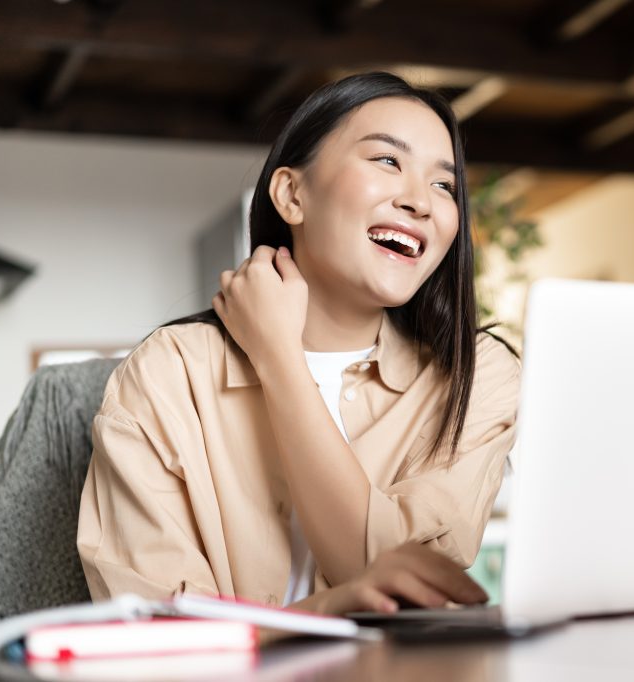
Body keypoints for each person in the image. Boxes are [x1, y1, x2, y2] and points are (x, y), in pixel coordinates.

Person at [76, 72, 520, 616]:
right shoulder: (170, 370)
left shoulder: (476, 375)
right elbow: (158, 634)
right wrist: (326, 615)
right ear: (292, 193)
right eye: (387, 161)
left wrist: (279, 359)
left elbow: (401, 593)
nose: (421, 203)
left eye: (444, 185)